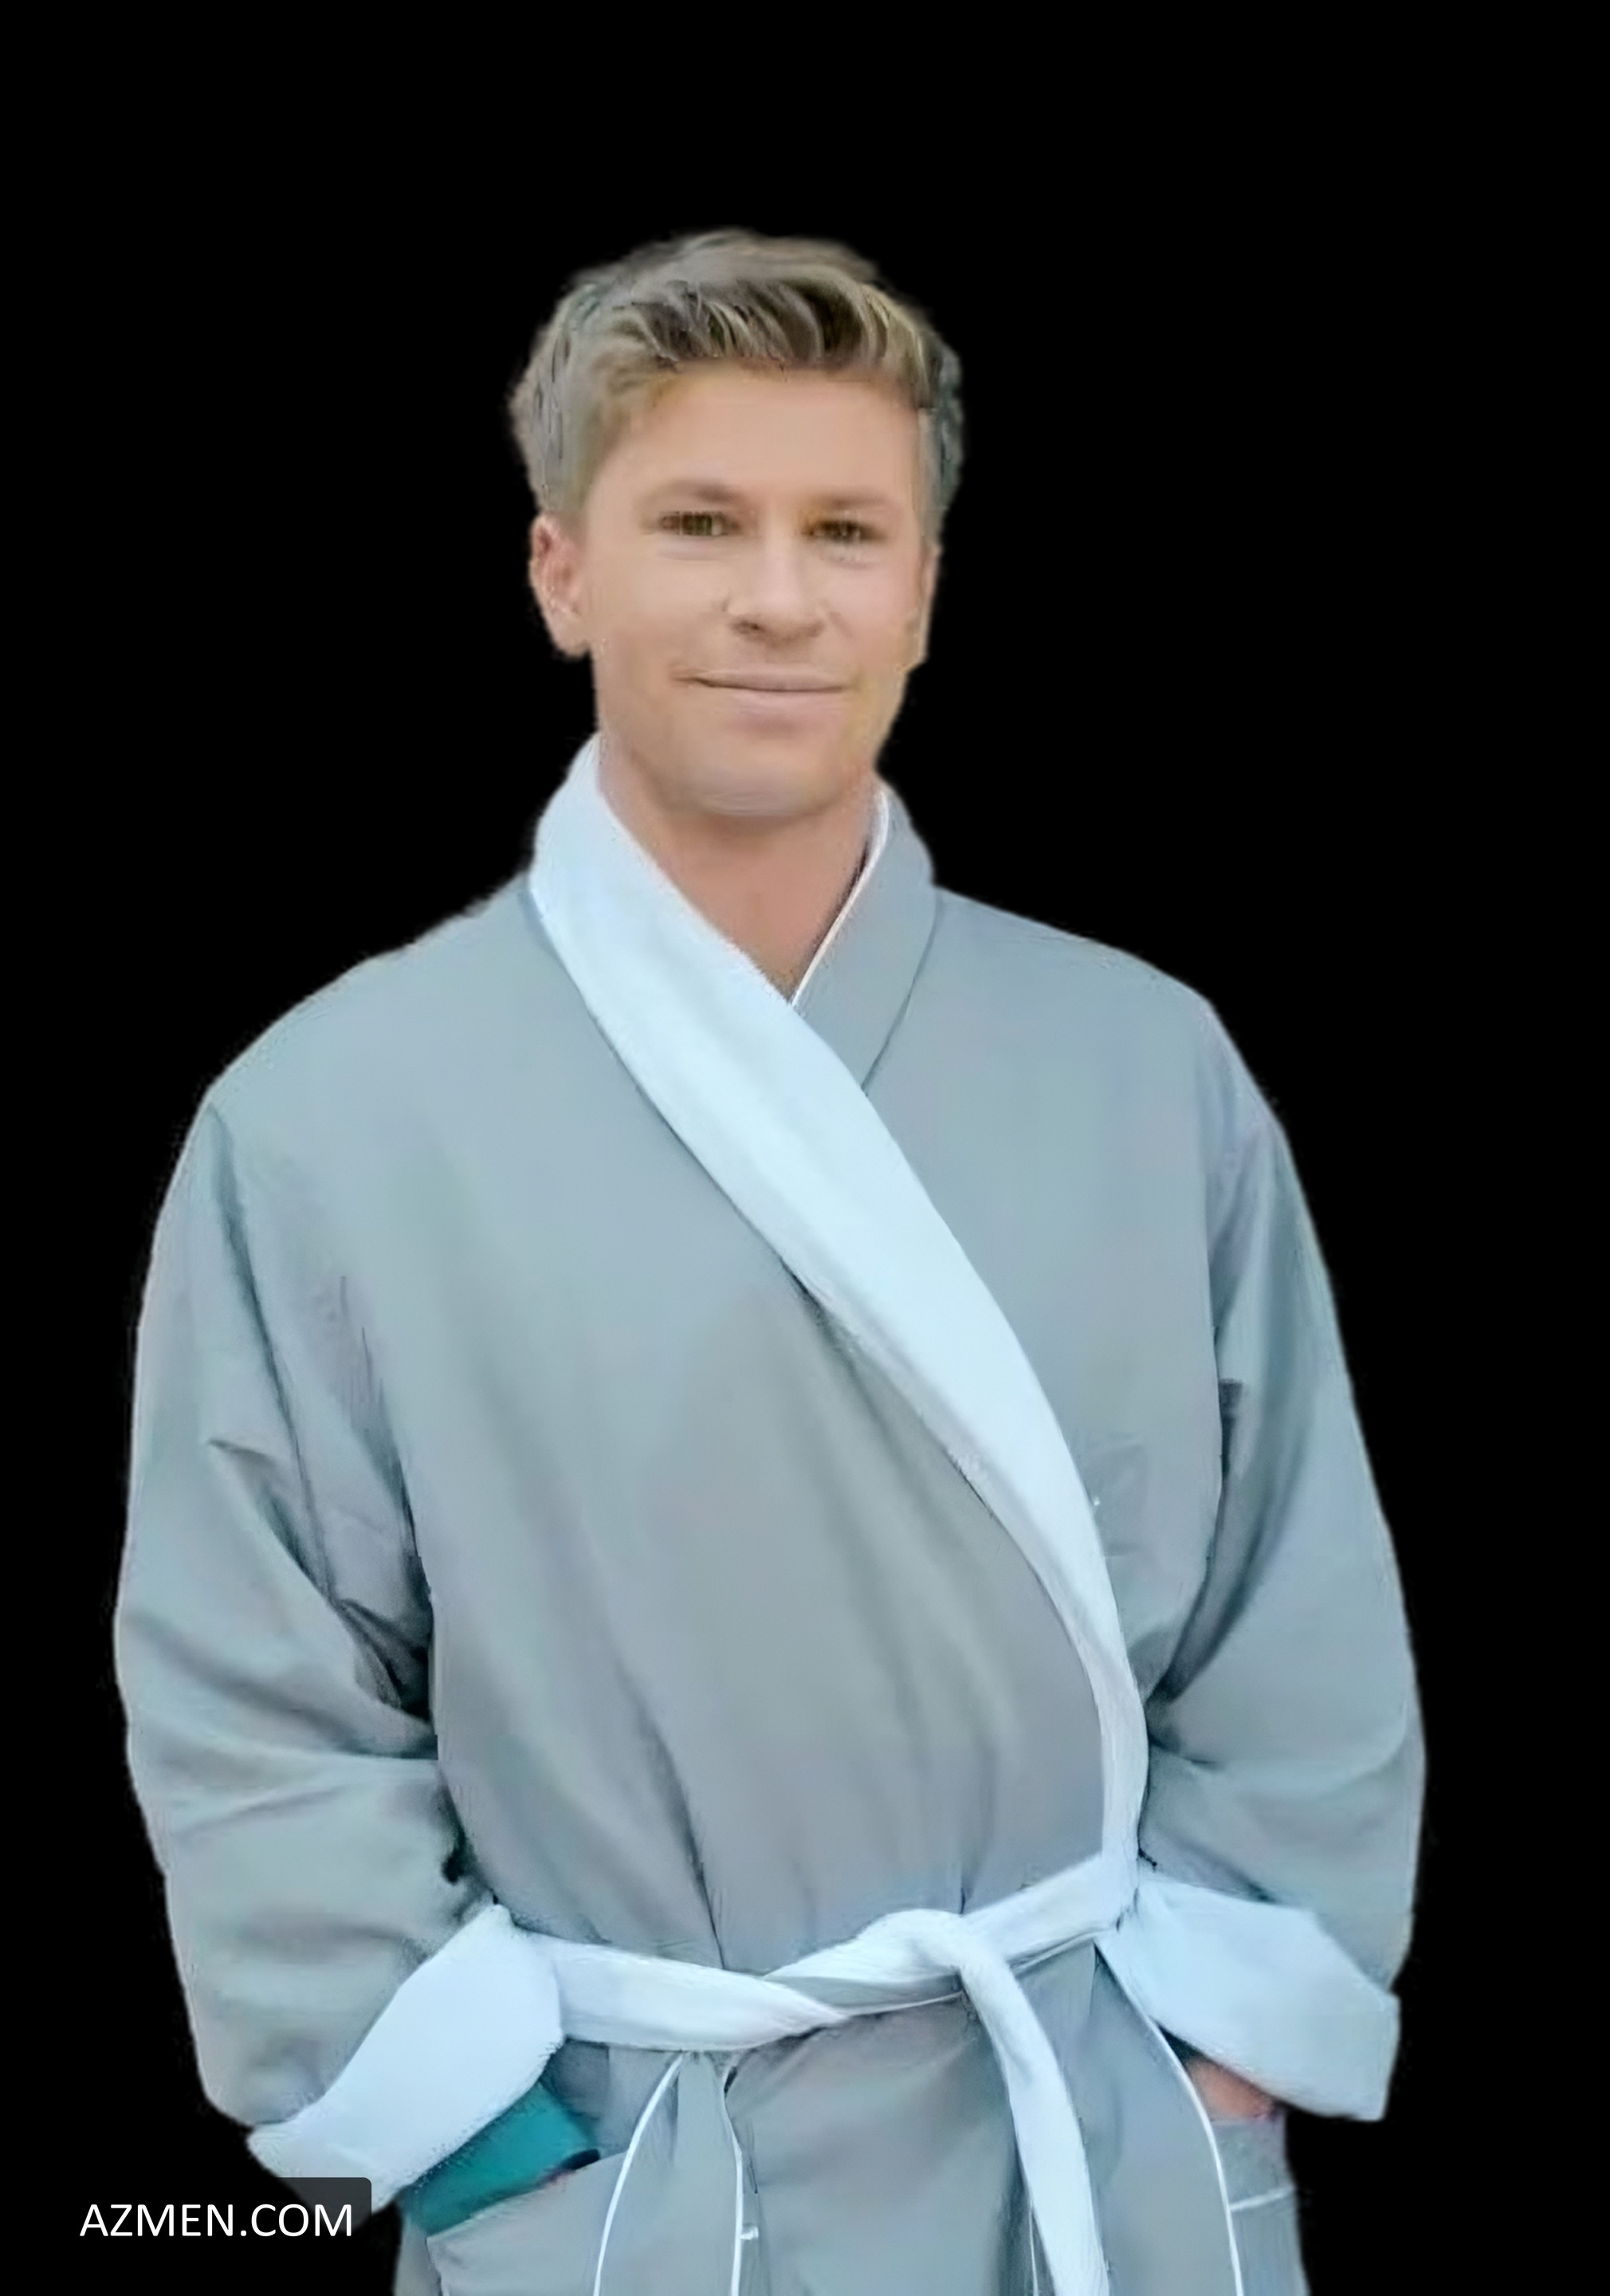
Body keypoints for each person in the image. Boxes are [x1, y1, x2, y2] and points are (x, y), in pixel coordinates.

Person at [113, 229, 1423, 2296]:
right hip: (632, 2167)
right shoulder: (330, 1118)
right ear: (561, 572)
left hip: (1088, 2137)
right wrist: (476, 2139)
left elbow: (1300, 1607)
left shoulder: (1137, 1063)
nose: (779, 599)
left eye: (846, 531)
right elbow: (249, 1696)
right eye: (700, 523)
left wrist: (1224, 2051)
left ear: (923, 591)